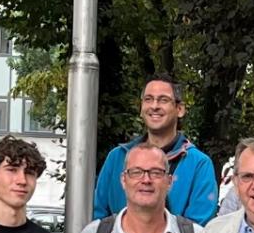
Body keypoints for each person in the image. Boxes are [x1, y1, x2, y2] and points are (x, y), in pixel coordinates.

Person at [91, 75, 218, 223]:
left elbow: (198, 230)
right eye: (148, 99)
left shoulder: (199, 165)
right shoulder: (117, 158)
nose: (154, 106)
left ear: (180, 109)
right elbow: (98, 216)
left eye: (163, 100)